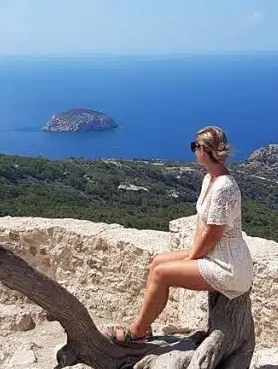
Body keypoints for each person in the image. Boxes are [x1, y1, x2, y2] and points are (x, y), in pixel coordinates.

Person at [102, 126, 254, 344]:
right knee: (156, 262)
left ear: (206, 150)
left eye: (196, 146)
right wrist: (192, 253)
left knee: (161, 274)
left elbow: (214, 233)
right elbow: (203, 226)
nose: (193, 150)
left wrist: (192, 257)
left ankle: (136, 333)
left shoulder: (224, 186)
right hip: (215, 254)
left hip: (229, 265)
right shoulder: (209, 180)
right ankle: (145, 326)